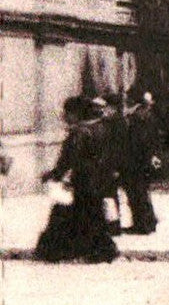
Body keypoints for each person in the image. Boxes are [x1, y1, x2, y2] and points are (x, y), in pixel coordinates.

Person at [37, 96, 120, 262]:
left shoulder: (78, 133)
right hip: (101, 181)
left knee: (83, 215)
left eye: (67, 113)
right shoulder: (101, 128)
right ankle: (100, 250)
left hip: (84, 181)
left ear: (75, 113)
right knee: (92, 215)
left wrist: (53, 175)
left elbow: (68, 160)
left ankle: (74, 250)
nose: (64, 116)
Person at [113, 91, 161, 234]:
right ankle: (147, 222)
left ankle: (143, 225)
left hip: (136, 164)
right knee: (140, 193)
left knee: (137, 194)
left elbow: (138, 143)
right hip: (140, 163)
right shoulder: (145, 120)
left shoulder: (139, 121)